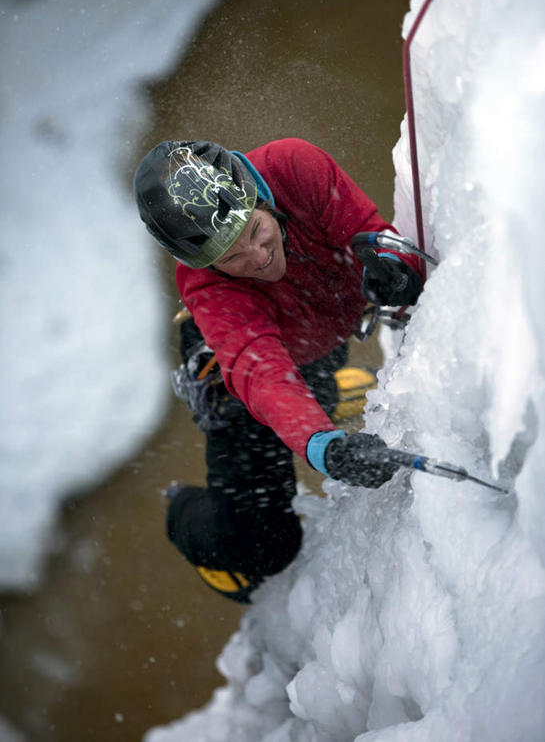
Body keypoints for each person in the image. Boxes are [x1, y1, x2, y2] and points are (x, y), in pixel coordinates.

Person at [134, 138, 421, 602]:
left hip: (315, 333)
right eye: (231, 257)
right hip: (235, 368)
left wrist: (396, 268)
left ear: (260, 196)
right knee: (263, 547)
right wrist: (326, 448)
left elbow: (368, 231)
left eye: (255, 230)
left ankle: (325, 395)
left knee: (315, 386)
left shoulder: (295, 169)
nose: (258, 257)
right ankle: (180, 508)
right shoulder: (206, 286)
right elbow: (265, 376)